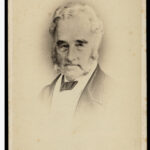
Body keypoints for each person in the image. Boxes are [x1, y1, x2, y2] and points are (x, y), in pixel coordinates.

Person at [41, 2, 113, 119]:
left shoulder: (113, 94)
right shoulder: (43, 95)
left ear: (95, 46)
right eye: (63, 45)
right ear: (55, 47)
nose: (70, 57)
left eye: (79, 45)